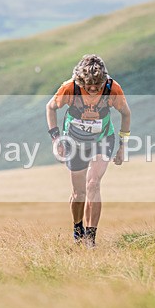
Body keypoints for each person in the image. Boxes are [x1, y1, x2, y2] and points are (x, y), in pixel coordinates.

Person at [45, 54, 131, 247]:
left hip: (102, 140)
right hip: (74, 143)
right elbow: (50, 108)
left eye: (97, 86)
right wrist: (55, 138)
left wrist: (122, 146)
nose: (93, 90)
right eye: (88, 86)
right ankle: (78, 229)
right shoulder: (70, 88)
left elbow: (126, 113)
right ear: (80, 80)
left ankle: (91, 239)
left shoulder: (112, 89)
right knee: (78, 193)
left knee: (93, 184)